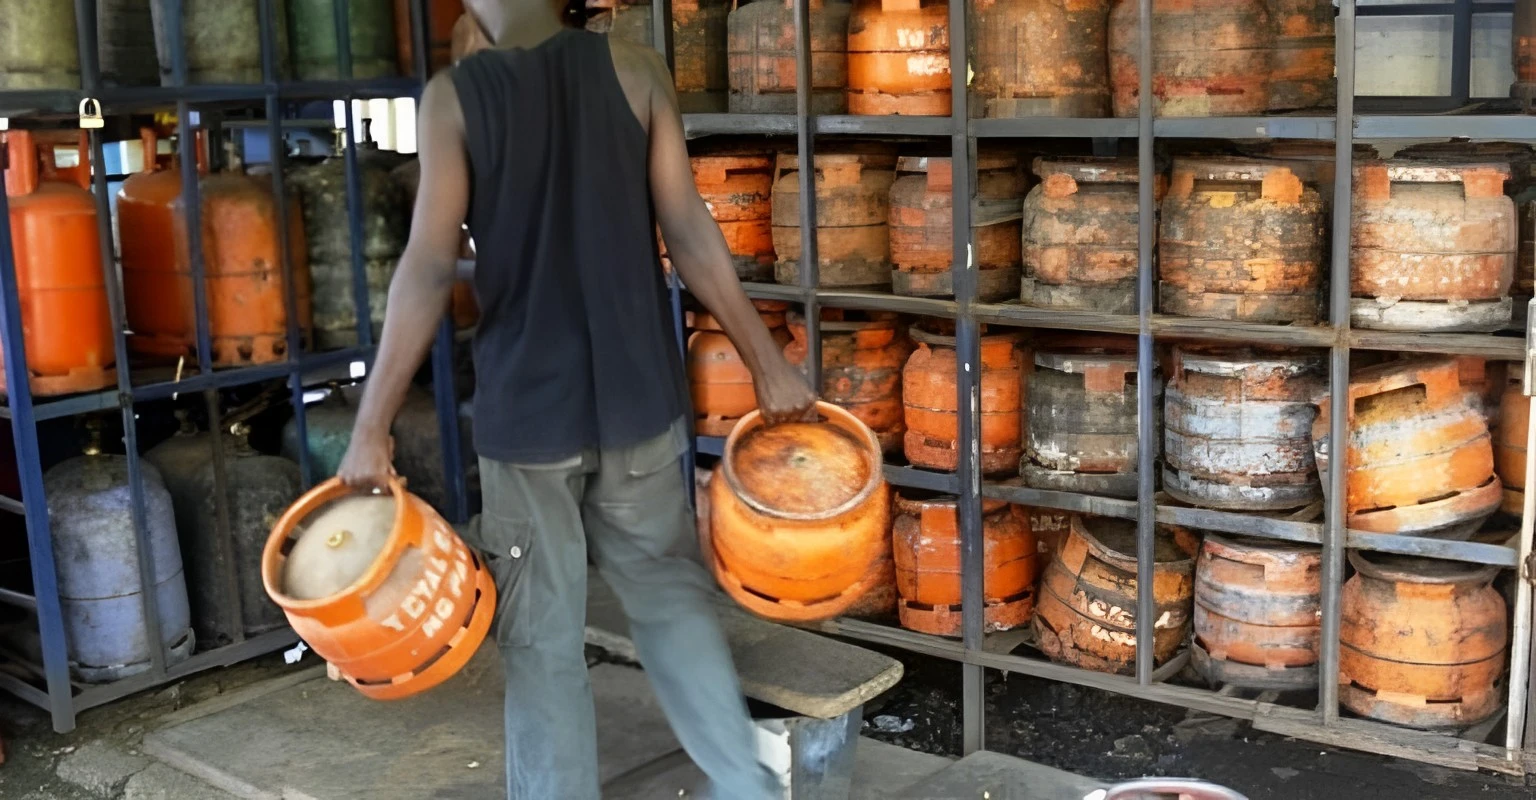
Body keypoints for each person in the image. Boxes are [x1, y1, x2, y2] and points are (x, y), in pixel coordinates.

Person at [333, 0, 818, 797]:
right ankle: (747, 787)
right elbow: (690, 233)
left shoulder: (457, 99)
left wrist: (371, 428)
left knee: (543, 642)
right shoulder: (636, 72)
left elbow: (424, 270)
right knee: (668, 599)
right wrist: (766, 361)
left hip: (529, 415)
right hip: (638, 399)